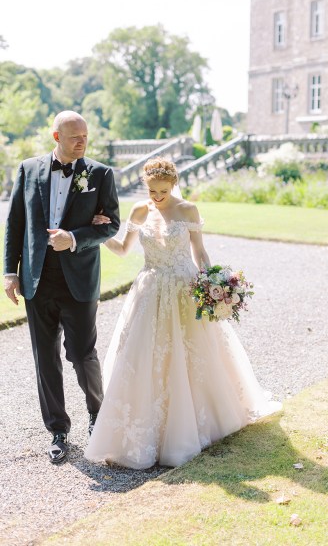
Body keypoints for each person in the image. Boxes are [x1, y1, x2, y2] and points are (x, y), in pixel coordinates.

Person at [85, 157, 281, 469]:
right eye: (151, 191)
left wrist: (215, 283)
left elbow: (199, 252)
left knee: (192, 355)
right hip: (149, 290)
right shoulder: (139, 210)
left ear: (173, 184)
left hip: (184, 289)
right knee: (145, 357)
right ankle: (148, 433)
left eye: (162, 191)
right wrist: (101, 234)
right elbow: (123, 249)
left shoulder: (188, 210)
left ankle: (197, 423)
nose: (156, 197)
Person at [3, 111, 120, 464]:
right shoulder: (28, 169)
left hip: (79, 279)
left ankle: (97, 415)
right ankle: (57, 429)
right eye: (74, 137)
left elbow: (112, 224)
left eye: (85, 136)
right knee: (45, 358)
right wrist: (10, 272)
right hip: (37, 279)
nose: (81, 142)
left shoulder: (100, 174)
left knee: (82, 355)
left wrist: (75, 237)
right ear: (56, 137)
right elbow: (15, 223)